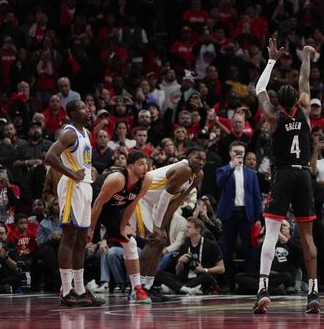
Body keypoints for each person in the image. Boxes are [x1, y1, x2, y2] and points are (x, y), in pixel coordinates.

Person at [253, 38, 321, 314]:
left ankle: (263, 288)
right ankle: (314, 292)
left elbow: (259, 88)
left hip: (282, 176)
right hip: (303, 175)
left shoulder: (272, 117)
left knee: (271, 233)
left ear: (277, 101)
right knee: (307, 237)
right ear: (297, 100)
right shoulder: (305, 112)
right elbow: (304, 80)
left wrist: (271, 60)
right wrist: (306, 55)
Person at [43, 100, 105, 307]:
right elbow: (50, 156)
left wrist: (91, 171)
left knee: (81, 241)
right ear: (71, 113)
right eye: (82, 108)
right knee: (69, 238)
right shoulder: (68, 133)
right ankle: (66, 290)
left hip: (84, 186)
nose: (87, 110)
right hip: (72, 187)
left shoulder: (85, 132)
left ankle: (80, 290)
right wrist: (72, 174)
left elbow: (81, 161)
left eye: (87, 107)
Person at [136, 147, 206, 300]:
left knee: (161, 242)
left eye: (203, 160)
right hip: (142, 198)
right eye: (197, 158)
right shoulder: (184, 169)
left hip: (154, 204)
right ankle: (137, 288)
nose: (201, 162)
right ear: (188, 157)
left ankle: (148, 286)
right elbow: (164, 198)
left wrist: (162, 226)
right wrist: (158, 227)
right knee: (154, 239)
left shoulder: (197, 176)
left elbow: (178, 200)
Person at [87, 150, 152, 304]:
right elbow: (98, 204)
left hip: (112, 210)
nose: (145, 168)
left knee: (130, 242)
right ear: (130, 167)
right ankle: (70, 286)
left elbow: (132, 203)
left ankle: (136, 290)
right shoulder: (118, 179)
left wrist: (122, 227)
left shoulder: (146, 180)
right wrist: (90, 229)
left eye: (146, 164)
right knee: (83, 242)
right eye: (141, 164)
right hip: (92, 207)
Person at [215, 141, 262, 290]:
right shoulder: (223, 170)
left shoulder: (251, 173)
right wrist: (231, 166)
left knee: (249, 249)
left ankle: (247, 282)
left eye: (241, 152)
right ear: (230, 152)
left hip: (246, 214)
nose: (238, 155)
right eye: (235, 152)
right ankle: (228, 282)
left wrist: (257, 218)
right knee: (228, 249)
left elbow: (256, 196)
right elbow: (219, 183)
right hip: (229, 214)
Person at [155, 217, 224, 295]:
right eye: (186, 227)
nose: (186, 229)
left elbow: (221, 268)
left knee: (206, 276)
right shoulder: (184, 246)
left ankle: (177, 288)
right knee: (159, 274)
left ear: (198, 230)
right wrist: (180, 262)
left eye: (189, 227)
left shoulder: (211, 245)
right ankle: (185, 289)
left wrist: (204, 270)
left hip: (201, 277)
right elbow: (178, 272)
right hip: (187, 279)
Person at [0, 223, 21, 293]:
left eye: (1, 233)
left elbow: (15, 267)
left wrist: (6, 257)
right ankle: (3, 288)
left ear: (6, 235)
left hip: (6, 276)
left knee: (17, 277)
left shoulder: (11, 246)